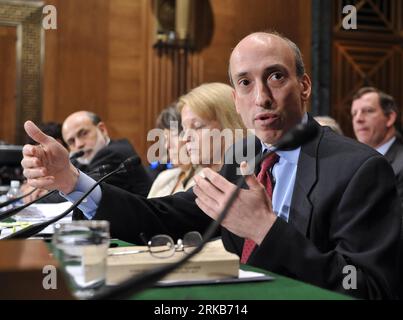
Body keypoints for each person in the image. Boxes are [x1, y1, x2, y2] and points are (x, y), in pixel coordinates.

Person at [21, 32, 400, 299]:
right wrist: (72, 179)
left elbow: (367, 288)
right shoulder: (245, 154)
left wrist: (266, 230)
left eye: (276, 76)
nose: (263, 97)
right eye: (246, 84)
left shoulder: (360, 169)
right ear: (236, 100)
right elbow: (164, 217)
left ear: (304, 86)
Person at [148, 84, 246, 198]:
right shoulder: (202, 181)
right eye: (184, 129)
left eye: (197, 126)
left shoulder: (248, 181)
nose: (185, 138)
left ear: (231, 126)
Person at [61, 111, 152, 196]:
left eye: (83, 133)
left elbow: (81, 190)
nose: (79, 144)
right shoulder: (79, 161)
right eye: (71, 141)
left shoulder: (114, 153)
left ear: (102, 129)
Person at [351, 87, 403, 205]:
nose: (358, 119)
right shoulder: (352, 162)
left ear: (390, 118)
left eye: (368, 111)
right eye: (354, 114)